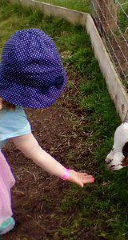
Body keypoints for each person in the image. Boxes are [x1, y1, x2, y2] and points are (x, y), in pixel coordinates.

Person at [0, 29, 94, 235]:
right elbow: (37, 154)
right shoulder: (12, 119)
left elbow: (37, 153)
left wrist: (67, 173)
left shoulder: (12, 118)